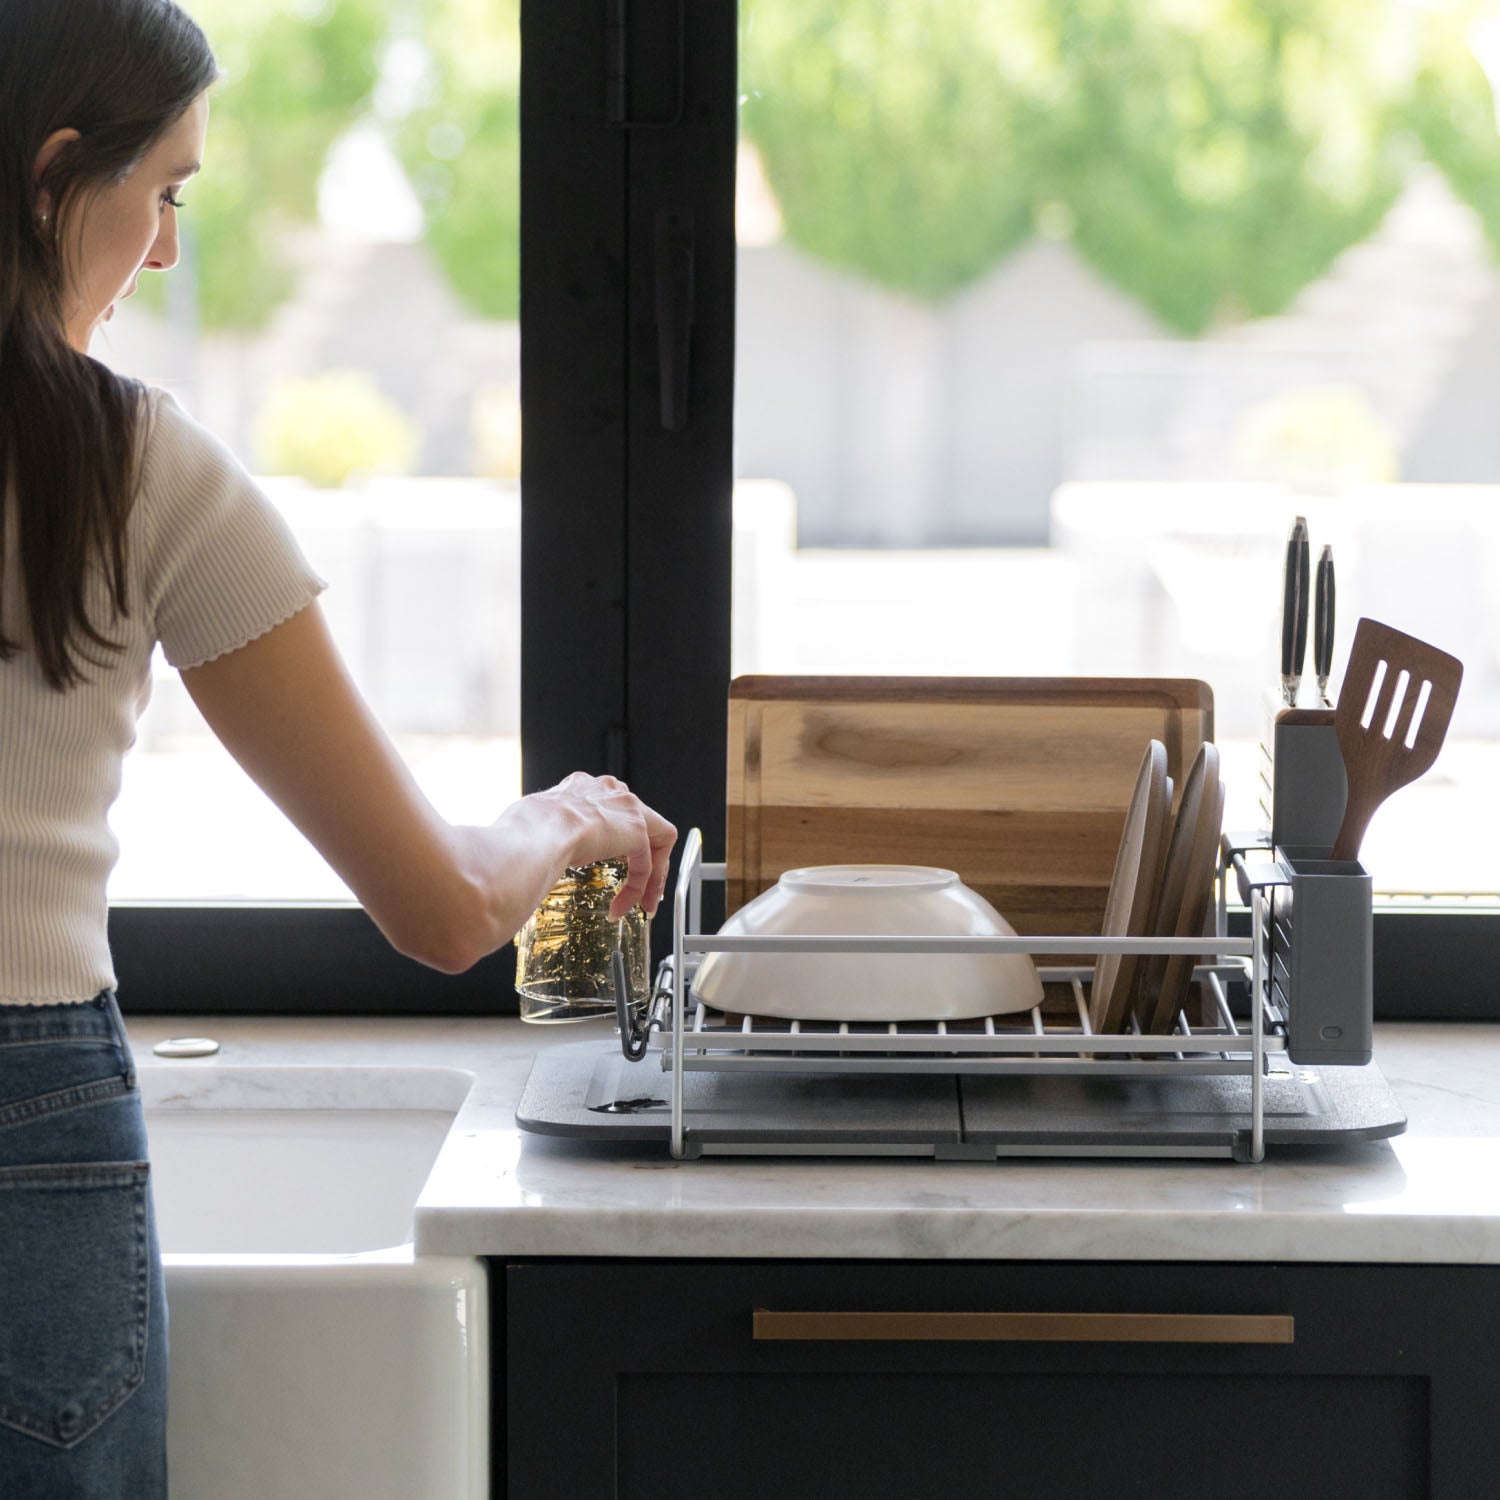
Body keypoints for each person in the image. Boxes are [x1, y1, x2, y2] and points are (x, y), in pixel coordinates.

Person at [0, 1, 677, 1492]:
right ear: (56, 178)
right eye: (163, 191)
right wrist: (567, 816)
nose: (167, 248)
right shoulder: (135, 471)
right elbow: (439, 910)